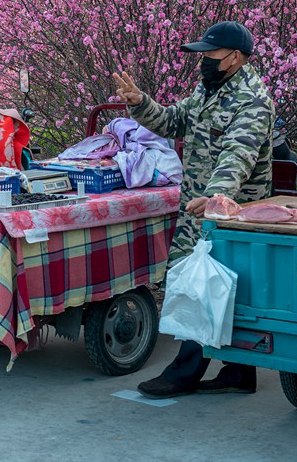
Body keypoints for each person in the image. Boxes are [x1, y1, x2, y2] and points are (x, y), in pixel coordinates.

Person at [113, 21, 275, 399]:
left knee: (203, 287)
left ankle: (184, 373)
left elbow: (239, 154)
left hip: (228, 213)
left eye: (210, 55)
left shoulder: (252, 100)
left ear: (235, 57)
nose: (202, 61)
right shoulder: (209, 89)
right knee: (220, 286)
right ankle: (239, 372)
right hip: (198, 207)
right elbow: (174, 121)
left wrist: (217, 196)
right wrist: (140, 103)